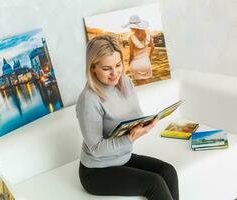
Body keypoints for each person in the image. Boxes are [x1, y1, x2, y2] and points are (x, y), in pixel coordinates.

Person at [76, 35, 179, 200]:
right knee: (155, 183)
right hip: (96, 171)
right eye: (106, 68)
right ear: (92, 68)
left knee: (168, 172)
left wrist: (146, 124)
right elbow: (96, 149)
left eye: (118, 65)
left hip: (122, 157)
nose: (114, 73)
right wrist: (130, 138)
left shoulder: (125, 82)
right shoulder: (88, 99)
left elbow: (134, 116)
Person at [123, 15, 154, 85]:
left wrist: (129, 63)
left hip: (135, 65)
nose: (130, 28)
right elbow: (153, 47)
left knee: (141, 87)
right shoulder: (148, 33)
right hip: (146, 63)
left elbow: (131, 55)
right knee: (149, 86)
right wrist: (149, 58)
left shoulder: (131, 38)